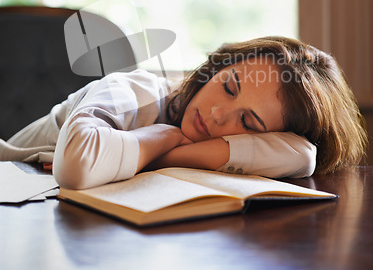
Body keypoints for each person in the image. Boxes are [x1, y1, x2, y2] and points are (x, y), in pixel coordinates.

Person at [0, 36, 367, 190]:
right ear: (216, 69)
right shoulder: (136, 93)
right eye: (228, 86)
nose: (219, 115)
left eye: (248, 122)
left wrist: (169, 156)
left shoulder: (210, 132)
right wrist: (164, 136)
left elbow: (303, 155)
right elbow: (77, 166)